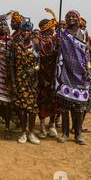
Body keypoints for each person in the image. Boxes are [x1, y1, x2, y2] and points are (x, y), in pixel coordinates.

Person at [56, 10, 90, 145]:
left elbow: (86, 53)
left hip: (80, 74)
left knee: (79, 107)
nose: (70, 18)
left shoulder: (84, 34)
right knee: (65, 105)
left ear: (78, 19)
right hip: (66, 72)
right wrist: (57, 43)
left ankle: (78, 134)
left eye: (73, 16)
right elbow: (56, 51)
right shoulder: (62, 34)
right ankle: (64, 133)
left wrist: (88, 68)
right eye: (68, 16)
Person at [12, 18, 41, 145]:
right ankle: (23, 132)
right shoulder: (15, 45)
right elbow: (11, 65)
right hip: (20, 80)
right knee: (22, 108)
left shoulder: (35, 45)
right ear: (20, 31)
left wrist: (34, 70)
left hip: (32, 81)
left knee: (33, 108)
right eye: (24, 30)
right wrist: (13, 83)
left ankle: (32, 133)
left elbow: (40, 63)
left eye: (28, 30)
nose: (26, 33)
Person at [36, 8, 60, 138]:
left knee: (54, 100)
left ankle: (52, 125)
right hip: (42, 75)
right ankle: (42, 126)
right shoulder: (38, 41)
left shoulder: (56, 39)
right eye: (51, 28)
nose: (53, 30)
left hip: (55, 75)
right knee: (42, 101)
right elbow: (40, 58)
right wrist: (54, 52)